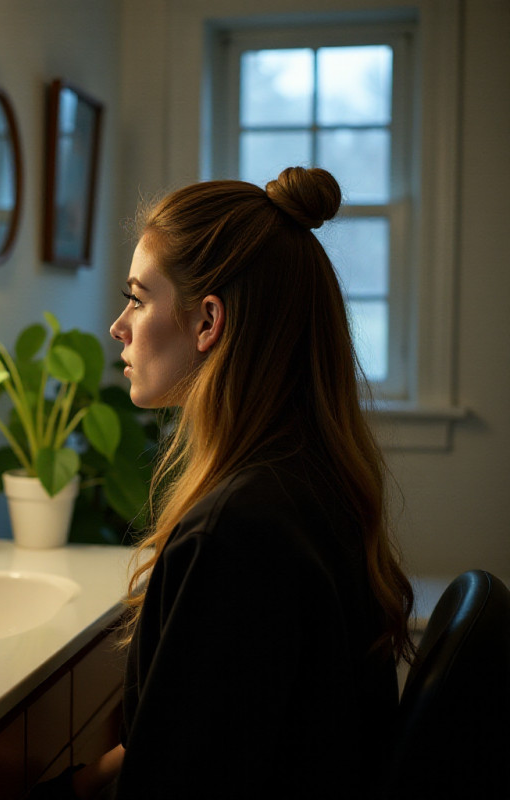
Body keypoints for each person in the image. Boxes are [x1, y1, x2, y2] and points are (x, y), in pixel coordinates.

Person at [30, 166, 414, 799]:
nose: (118, 327)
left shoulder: (234, 533)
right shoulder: (308, 481)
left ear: (208, 322)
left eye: (137, 298)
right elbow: (185, 738)